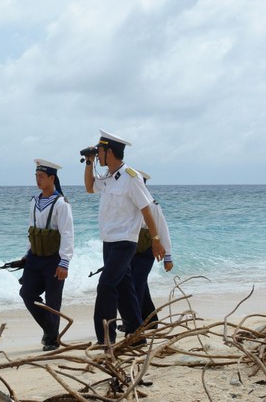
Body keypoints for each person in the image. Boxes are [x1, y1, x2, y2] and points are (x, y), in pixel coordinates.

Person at [83, 130, 166, 345]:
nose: (98, 154)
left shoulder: (131, 176)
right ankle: (137, 335)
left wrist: (156, 240)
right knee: (123, 287)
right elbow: (90, 188)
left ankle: (106, 338)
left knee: (106, 285)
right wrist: (89, 162)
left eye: (99, 151)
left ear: (109, 152)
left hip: (125, 242)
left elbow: (147, 208)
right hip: (109, 242)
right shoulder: (109, 177)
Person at [19, 159, 74, 351]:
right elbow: (31, 228)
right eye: (36, 176)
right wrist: (27, 255)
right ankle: (51, 330)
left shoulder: (61, 204)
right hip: (35, 256)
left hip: (54, 258)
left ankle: (51, 339)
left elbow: (67, 234)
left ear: (52, 178)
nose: (38, 180)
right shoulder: (35, 201)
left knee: (53, 299)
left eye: (41, 177)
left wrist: (64, 262)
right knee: (26, 293)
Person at [129, 171, 173, 329]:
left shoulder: (152, 206)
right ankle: (151, 320)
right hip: (131, 251)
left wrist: (168, 257)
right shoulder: (128, 204)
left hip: (147, 251)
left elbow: (163, 230)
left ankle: (135, 322)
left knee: (137, 284)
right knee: (139, 285)